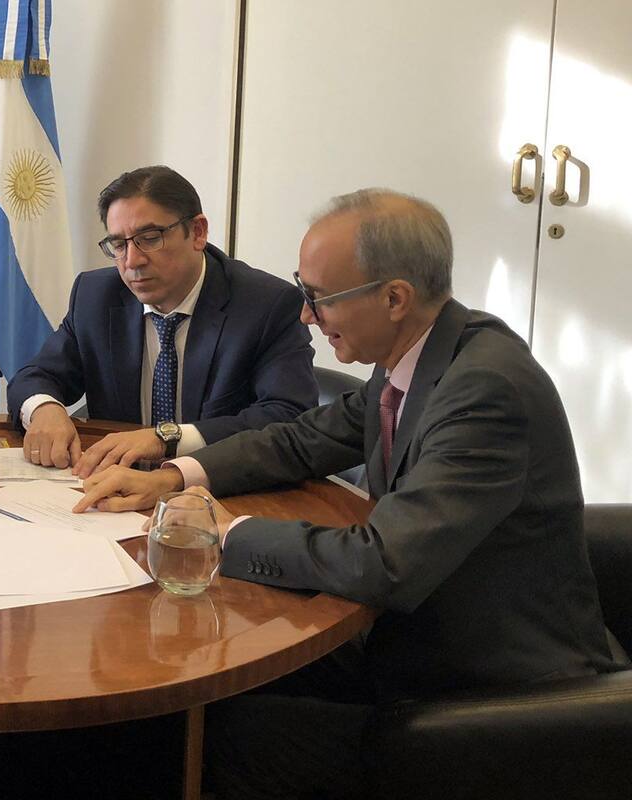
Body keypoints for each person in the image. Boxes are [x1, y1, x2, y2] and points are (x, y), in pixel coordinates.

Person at [74, 188, 624, 798]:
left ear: (394, 298)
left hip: (481, 692)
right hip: (408, 637)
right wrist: (173, 476)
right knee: (198, 674)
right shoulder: (422, 353)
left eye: (318, 299)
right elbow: (303, 439)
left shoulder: (483, 390)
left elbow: (383, 562)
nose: (307, 317)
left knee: (208, 730)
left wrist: (224, 534)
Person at [7, 165, 317, 478]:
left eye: (150, 238)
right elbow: (38, 375)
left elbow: (288, 417)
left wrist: (165, 438)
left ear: (197, 232)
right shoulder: (95, 297)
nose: (132, 261)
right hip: (114, 490)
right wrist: (44, 408)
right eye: (119, 244)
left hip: (215, 491)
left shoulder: (267, 305)